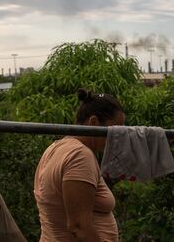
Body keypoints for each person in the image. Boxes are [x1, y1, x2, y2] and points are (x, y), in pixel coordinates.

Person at [34, 89, 124, 241]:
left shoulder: (55, 147)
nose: (116, 138)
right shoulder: (79, 156)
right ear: (94, 122)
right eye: (114, 130)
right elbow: (79, 227)